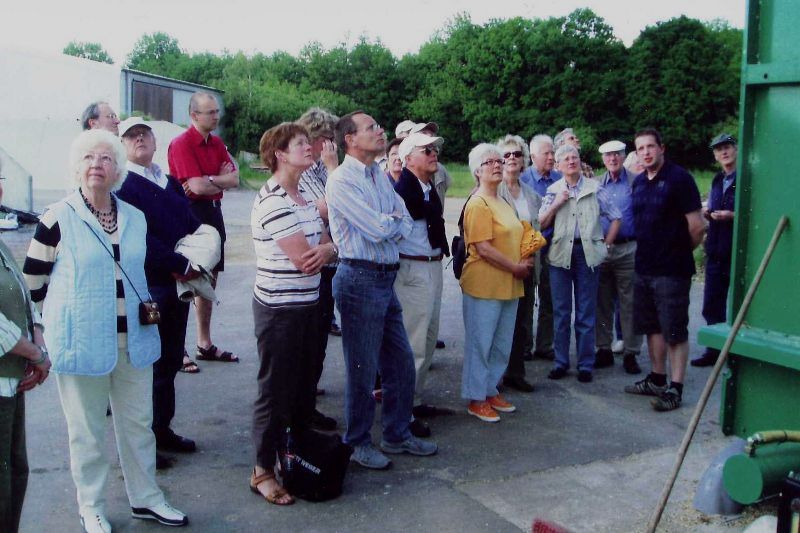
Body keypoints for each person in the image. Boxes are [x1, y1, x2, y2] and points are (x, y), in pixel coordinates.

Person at [24, 129, 188, 531]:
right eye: (88, 158)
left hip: (134, 339)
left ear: (117, 170)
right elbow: (33, 282)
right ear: (77, 167)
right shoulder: (57, 217)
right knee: (87, 432)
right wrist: (61, 318)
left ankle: (147, 498)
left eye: (106, 158)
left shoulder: (134, 216)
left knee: (138, 424)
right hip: (81, 343)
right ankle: (91, 506)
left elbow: (140, 270)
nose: (97, 164)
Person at [327, 110, 437, 470]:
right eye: (371, 128)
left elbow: (402, 218)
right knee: (362, 368)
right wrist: (390, 223)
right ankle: (357, 442)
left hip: (384, 278)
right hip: (359, 279)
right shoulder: (341, 181)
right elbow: (377, 228)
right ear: (350, 139)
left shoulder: (377, 173)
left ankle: (395, 434)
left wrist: (389, 223)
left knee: (401, 361)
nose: (380, 131)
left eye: (378, 125)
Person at [249, 122, 337, 505]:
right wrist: (330, 249)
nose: (310, 148)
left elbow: (329, 244)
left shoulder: (301, 196)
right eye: (301, 144)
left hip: (307, 305)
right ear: (280, 154)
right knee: (274, 391)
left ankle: (296, 458)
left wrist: (330, 249)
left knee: (302, 389)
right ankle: (261, 471)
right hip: (279, 310)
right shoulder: (273, 201)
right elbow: (306, 259)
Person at [116, 117, 203, 468]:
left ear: (154, 140)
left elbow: (189, 223)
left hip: (175, 283)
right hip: (148, 285)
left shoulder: (167, 181)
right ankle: (143, 444)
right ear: (122, 145)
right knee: (148, 364)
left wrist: (200, 251)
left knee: (168, 360)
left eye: (144, 134)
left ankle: (162, 429)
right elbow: (135, 237)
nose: (139, 139)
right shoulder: (123, 185)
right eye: (131, 136)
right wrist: (179, 263)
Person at [625, 128, 704, 411]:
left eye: (650, 147)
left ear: (662, 148)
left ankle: (676, 388)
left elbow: (697, 227)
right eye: (640, 148)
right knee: (653, 327)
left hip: (672, 271)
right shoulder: (640, 183)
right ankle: (657, 378)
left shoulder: (679, 179)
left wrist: (678, 253)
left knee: (674, 331)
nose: (645, 152)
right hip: (644, 267)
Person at [460, 143, 537, 422]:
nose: (497, 164)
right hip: (485, 283)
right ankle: (476, 397)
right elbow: (483, 248)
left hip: (509, 283)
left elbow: (517, 234)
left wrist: (526, 256)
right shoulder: (478, 203)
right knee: (481, 343)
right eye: (489, 162)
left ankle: (490, 389)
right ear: (477, 171)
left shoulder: (502, 201)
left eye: (498, 160)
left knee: (501, 342)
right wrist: (516, 266)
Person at [168, 91, 240, 365]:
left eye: (216, 111)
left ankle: (204, 343)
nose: (216, 116)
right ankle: (178, 349)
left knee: (209, 280)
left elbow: (234, 179)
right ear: (194, 115)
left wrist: (212, 180)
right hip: (189, 215)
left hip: (213, 212)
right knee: (187, 279)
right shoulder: (181, 144)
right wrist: (218, 179)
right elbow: (195, 188)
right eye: (210, 112)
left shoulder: (218, 143)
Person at [539, 144, 621, 383]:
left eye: (574, 157)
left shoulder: (595, 189)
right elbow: (541, 223)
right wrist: (557, 203)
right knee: (561, 312)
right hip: (560, 255)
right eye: (565, 158)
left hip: (587, 255)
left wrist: (606, 245)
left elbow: (615, 217)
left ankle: (586, 364)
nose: (571, 161)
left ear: (580, 161)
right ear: (558, 165)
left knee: (586, 312)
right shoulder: (553, 190)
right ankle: (561, 362)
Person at [0, 160, 51, 533]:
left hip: (11, 381)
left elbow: (21, 290)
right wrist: (34, 354)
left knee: (14, 469)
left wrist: (38, 334)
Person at [393, 132, 449, 437]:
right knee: (414, 342)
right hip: (413, 269)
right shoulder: (404, 191)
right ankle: (402, 413)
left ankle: (413, 400)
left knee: (427, 338)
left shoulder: (427, 188)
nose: (433, 153)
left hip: (431, 266)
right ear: (408, 158)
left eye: (434, 149)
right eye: (426, 150)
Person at [295, 107, 340, 431]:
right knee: (305, 339)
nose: (330, 144)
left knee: (319, 336)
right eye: (326, 137)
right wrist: (333, 168)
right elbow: (328, 205)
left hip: (331, 259)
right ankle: (300, 408)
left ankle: (307, 401)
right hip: (310, 262)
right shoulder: (305, 170)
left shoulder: (322, 170)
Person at [496, 134, 541, 393]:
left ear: (524, 160)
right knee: (502, 322)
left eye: (516, 154)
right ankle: (497, 375)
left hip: (527, 267)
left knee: (522, 322)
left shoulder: (532, 195)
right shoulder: (494, 191)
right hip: (503, 266)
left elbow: (536, 229)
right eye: (507, 155)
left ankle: (516, 372)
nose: (512, 159)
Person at [594, 140, 644, 375]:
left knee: (630, 302)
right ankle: (603, 348)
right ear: (603, 160)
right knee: (602, 301)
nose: (612, 159)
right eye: (608, 156)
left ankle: (631, 352)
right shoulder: (596, 185)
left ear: (624, 157)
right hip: (602, 249)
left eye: (617, 155)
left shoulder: (636, 182)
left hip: (628, 248)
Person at [692, 133, 737, 367]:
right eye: (719, 150)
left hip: (737, 251)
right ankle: (714, 351)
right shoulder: (718, 179)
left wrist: (733, 216)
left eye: (727, 147)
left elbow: (755, 213)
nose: (724, 152)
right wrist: (709, 213)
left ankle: (738, 354)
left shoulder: (747, 178)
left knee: (740, 305)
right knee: (712, 303)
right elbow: (711, 207)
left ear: (736, 149)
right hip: (716, 250)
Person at [520, 134, 562, 361]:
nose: (551, 157)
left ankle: (545, 345)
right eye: (546, 153)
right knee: (526, 299)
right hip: (528, 247)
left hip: (552, 247)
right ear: (533, 156)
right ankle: (525, 345)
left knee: (549, 298)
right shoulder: (523, 179)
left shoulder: (558, 178)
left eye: (553, 153)